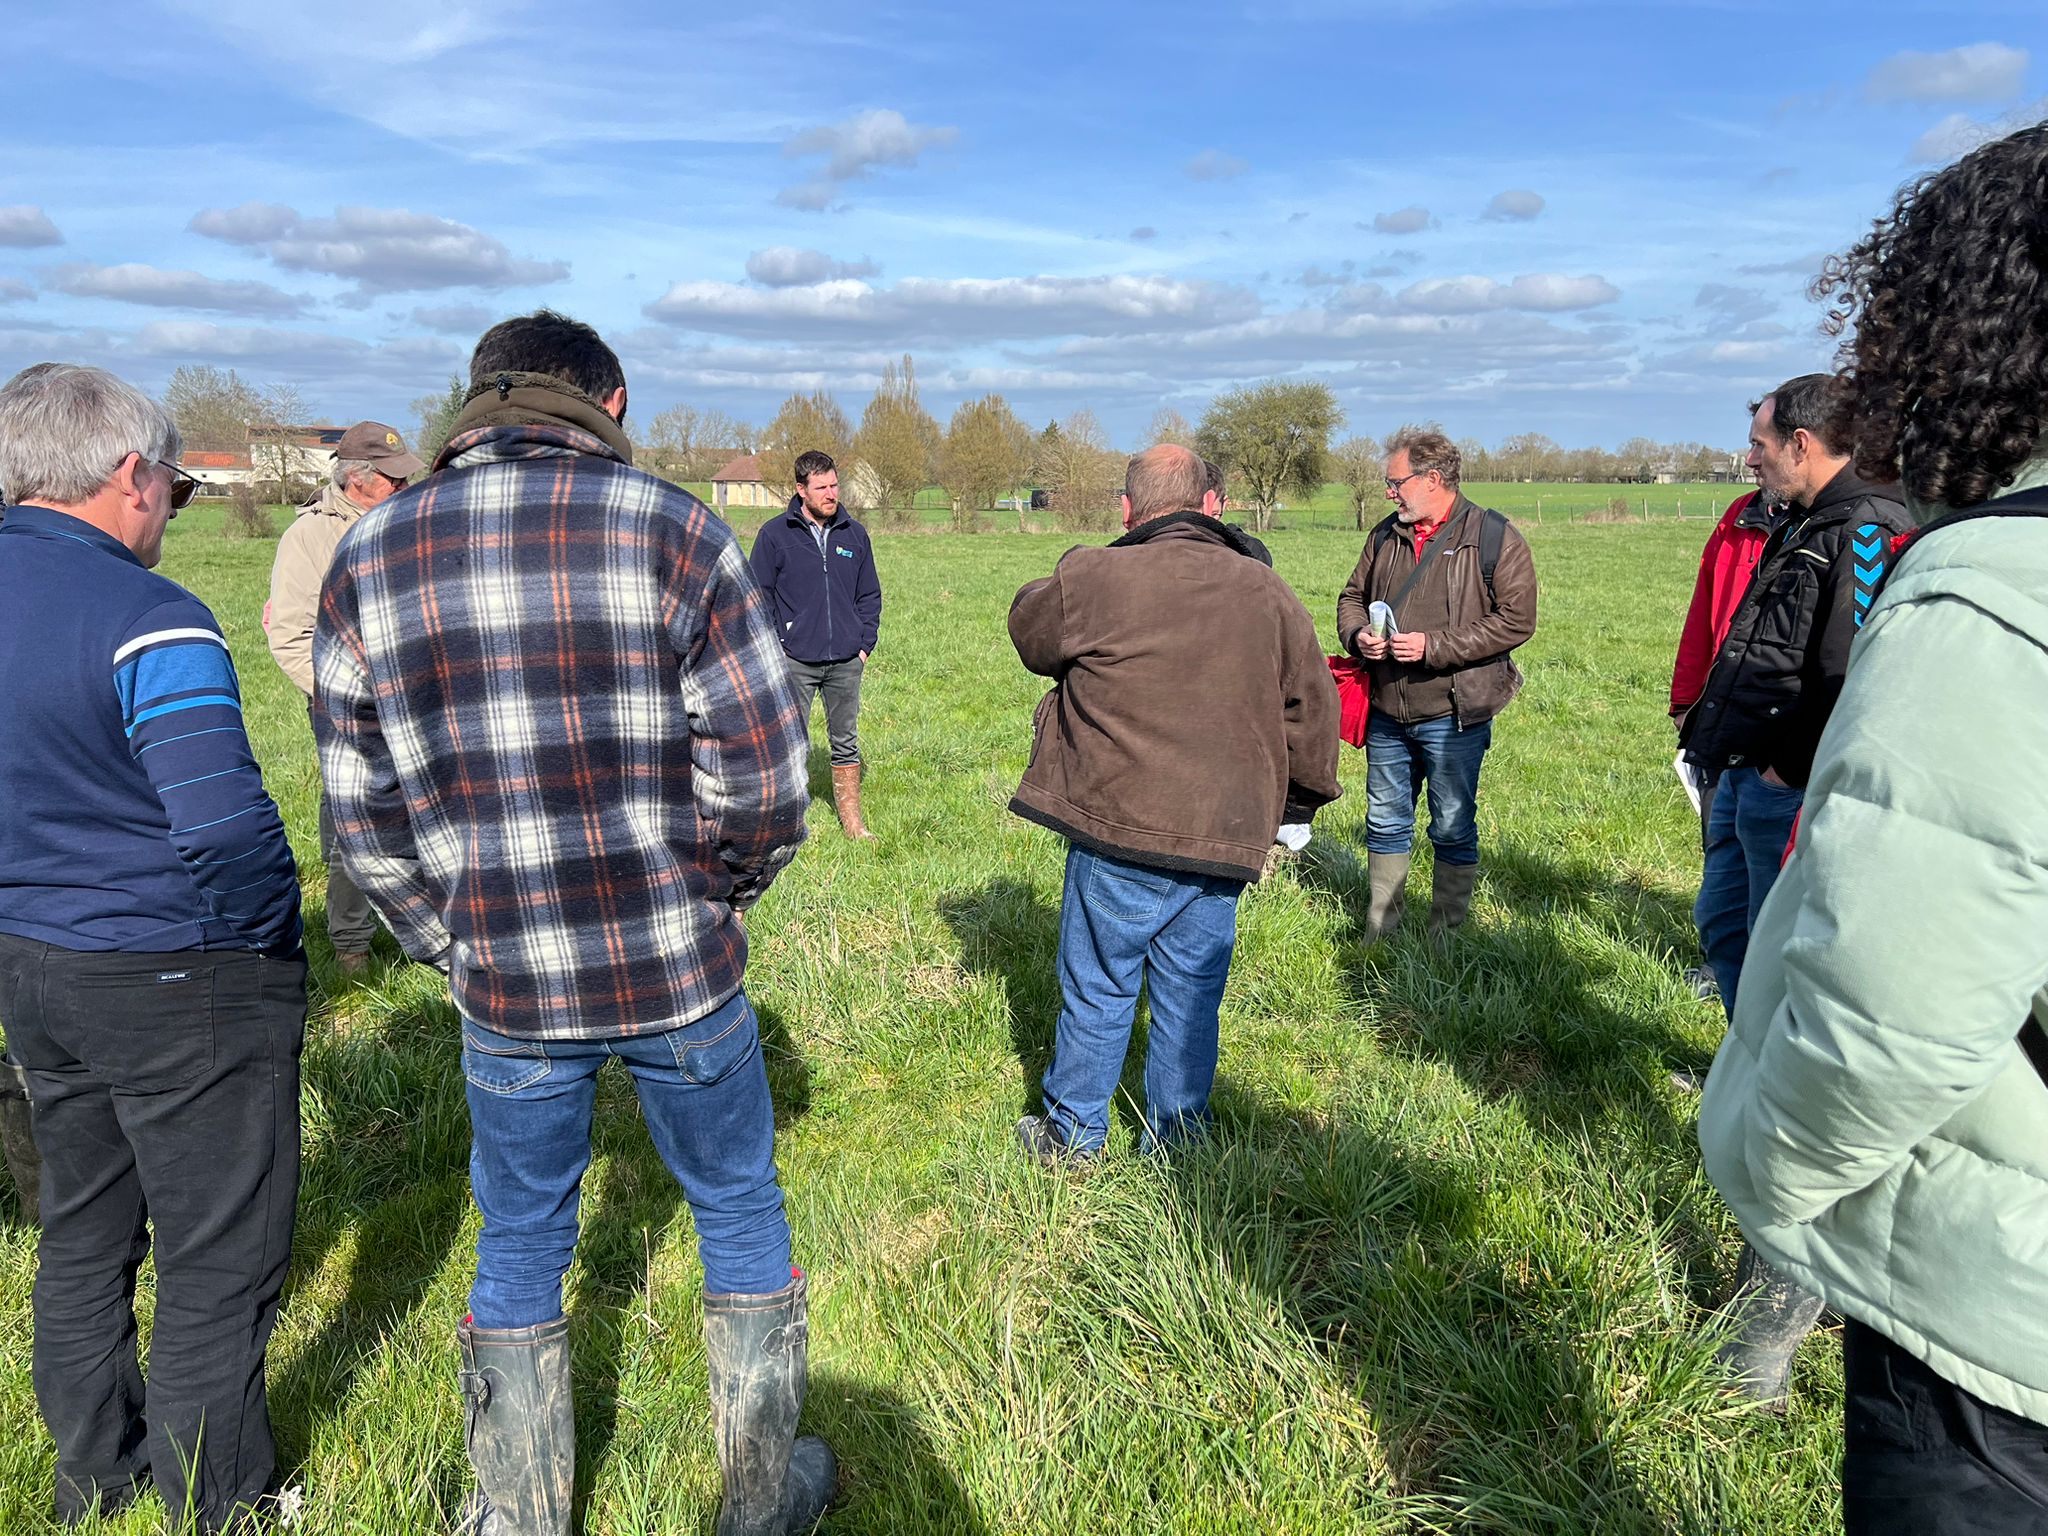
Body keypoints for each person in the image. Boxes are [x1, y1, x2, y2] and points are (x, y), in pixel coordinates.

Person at [313, 311, 832, 1535]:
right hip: (678, 967)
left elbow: (359, 816)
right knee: (737, 1205)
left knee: (520, 1234)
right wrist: (717, 895)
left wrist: (447, 940)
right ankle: (760, 1500)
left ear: (479, 397)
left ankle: (518, 1514)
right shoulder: (677, 529)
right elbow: (766, 779)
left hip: (505, 982)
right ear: (612, 402)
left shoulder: (370, 551)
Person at [1700, 120, 2048, 1532]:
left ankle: (1772, 1303)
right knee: (1730, 949)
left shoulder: (1960, 577)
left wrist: (1766, 1168)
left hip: (1994, 1324)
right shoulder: (1777, 525)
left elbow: (1886, 1003)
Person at [0, 362, 306, 1532]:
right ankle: (216, 1505)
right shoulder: (149, 615)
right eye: (174, 487)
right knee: (217, 1258)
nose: (171, 510)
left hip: (30, 963)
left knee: (82, 1231)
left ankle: (95, 1480)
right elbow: (223, 825)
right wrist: (267, 941)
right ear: (130, 474)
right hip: (177, 969)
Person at [1007, 443, 1340, 1160]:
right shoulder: (1267, 591)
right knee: (1191, 994)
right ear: (1212, 506)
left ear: (1128, 509)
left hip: (1118, 824)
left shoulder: (1094, 574)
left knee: (1100, 986)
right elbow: (1312, 708)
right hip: (1224, 831)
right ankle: (1179, 1142)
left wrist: (1095, 565)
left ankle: (1072, 1137)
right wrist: (1297, 810)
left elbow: (1030, 630)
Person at [1680, 375, 1910, 1017]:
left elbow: (1853, 674)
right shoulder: (1801, 520)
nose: (1750, 458)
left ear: (1801, 443)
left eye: (1760, 444)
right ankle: (1737, 1060)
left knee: (1770, 948)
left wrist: (1784, 773)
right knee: (1725, 928)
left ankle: (1764, 1069)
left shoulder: (1866, 529)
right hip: (1744, 770)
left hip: (1786, 787)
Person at [1335, 427, 1537, 940]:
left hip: (1454, 713)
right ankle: (1381, 931)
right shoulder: (1384, 534)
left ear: (1432, 479)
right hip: (1387, 710)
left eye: (1395, 482)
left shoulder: (1494, 536)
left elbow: (1517, 621)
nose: (1389, 492)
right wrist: (1359, 636)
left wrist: (1434, 646)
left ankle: (1446, 937)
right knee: (1384, 822)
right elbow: (1352, 597)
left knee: (1451, 825)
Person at [263, 420, 424, 975]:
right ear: (357, 478)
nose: (404, 487)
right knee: (353, 824)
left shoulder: (409, 522)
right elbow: (290, 635)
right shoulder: (310, 537)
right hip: (347, 709)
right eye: (393, 479)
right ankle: (352, 947)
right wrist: (348, 697)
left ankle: (424, 931)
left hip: (417, 699)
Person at [1669, 484, 1788, 999]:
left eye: (1760, 447)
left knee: (1774, 873)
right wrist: (1685, 698)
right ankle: (1723, 971)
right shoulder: (1742, 514)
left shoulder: (1837, 523)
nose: (1751, 461)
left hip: (1783, 736)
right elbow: (1705, 607)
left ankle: (1767, 989)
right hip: (1724, 718)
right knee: (1722, 851)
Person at [748, 450, 883, 841]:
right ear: (800, 490)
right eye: (821, 487)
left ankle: (853, 823)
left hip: (846, 660)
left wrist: (864, 644)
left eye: (834, 485)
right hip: (795, 661)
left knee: (846, 741)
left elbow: (869, 595)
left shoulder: (854, 535)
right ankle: (786, 823)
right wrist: (778, 646)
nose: (831, 493)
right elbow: (758, 596)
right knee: (790, 742)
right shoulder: (774, 536)